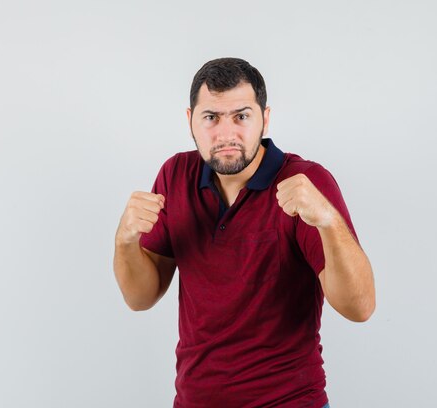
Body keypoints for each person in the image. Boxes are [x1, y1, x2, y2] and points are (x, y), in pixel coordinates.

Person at [113, 57, 375, 408]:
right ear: (190, 120)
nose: (226, 134)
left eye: (241, 116)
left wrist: (328, 221)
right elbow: (140, 298)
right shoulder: (175, 175)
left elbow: (360, 308)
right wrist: (125, 240)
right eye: (211, 118)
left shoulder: (304, 181)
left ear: (264, 119)